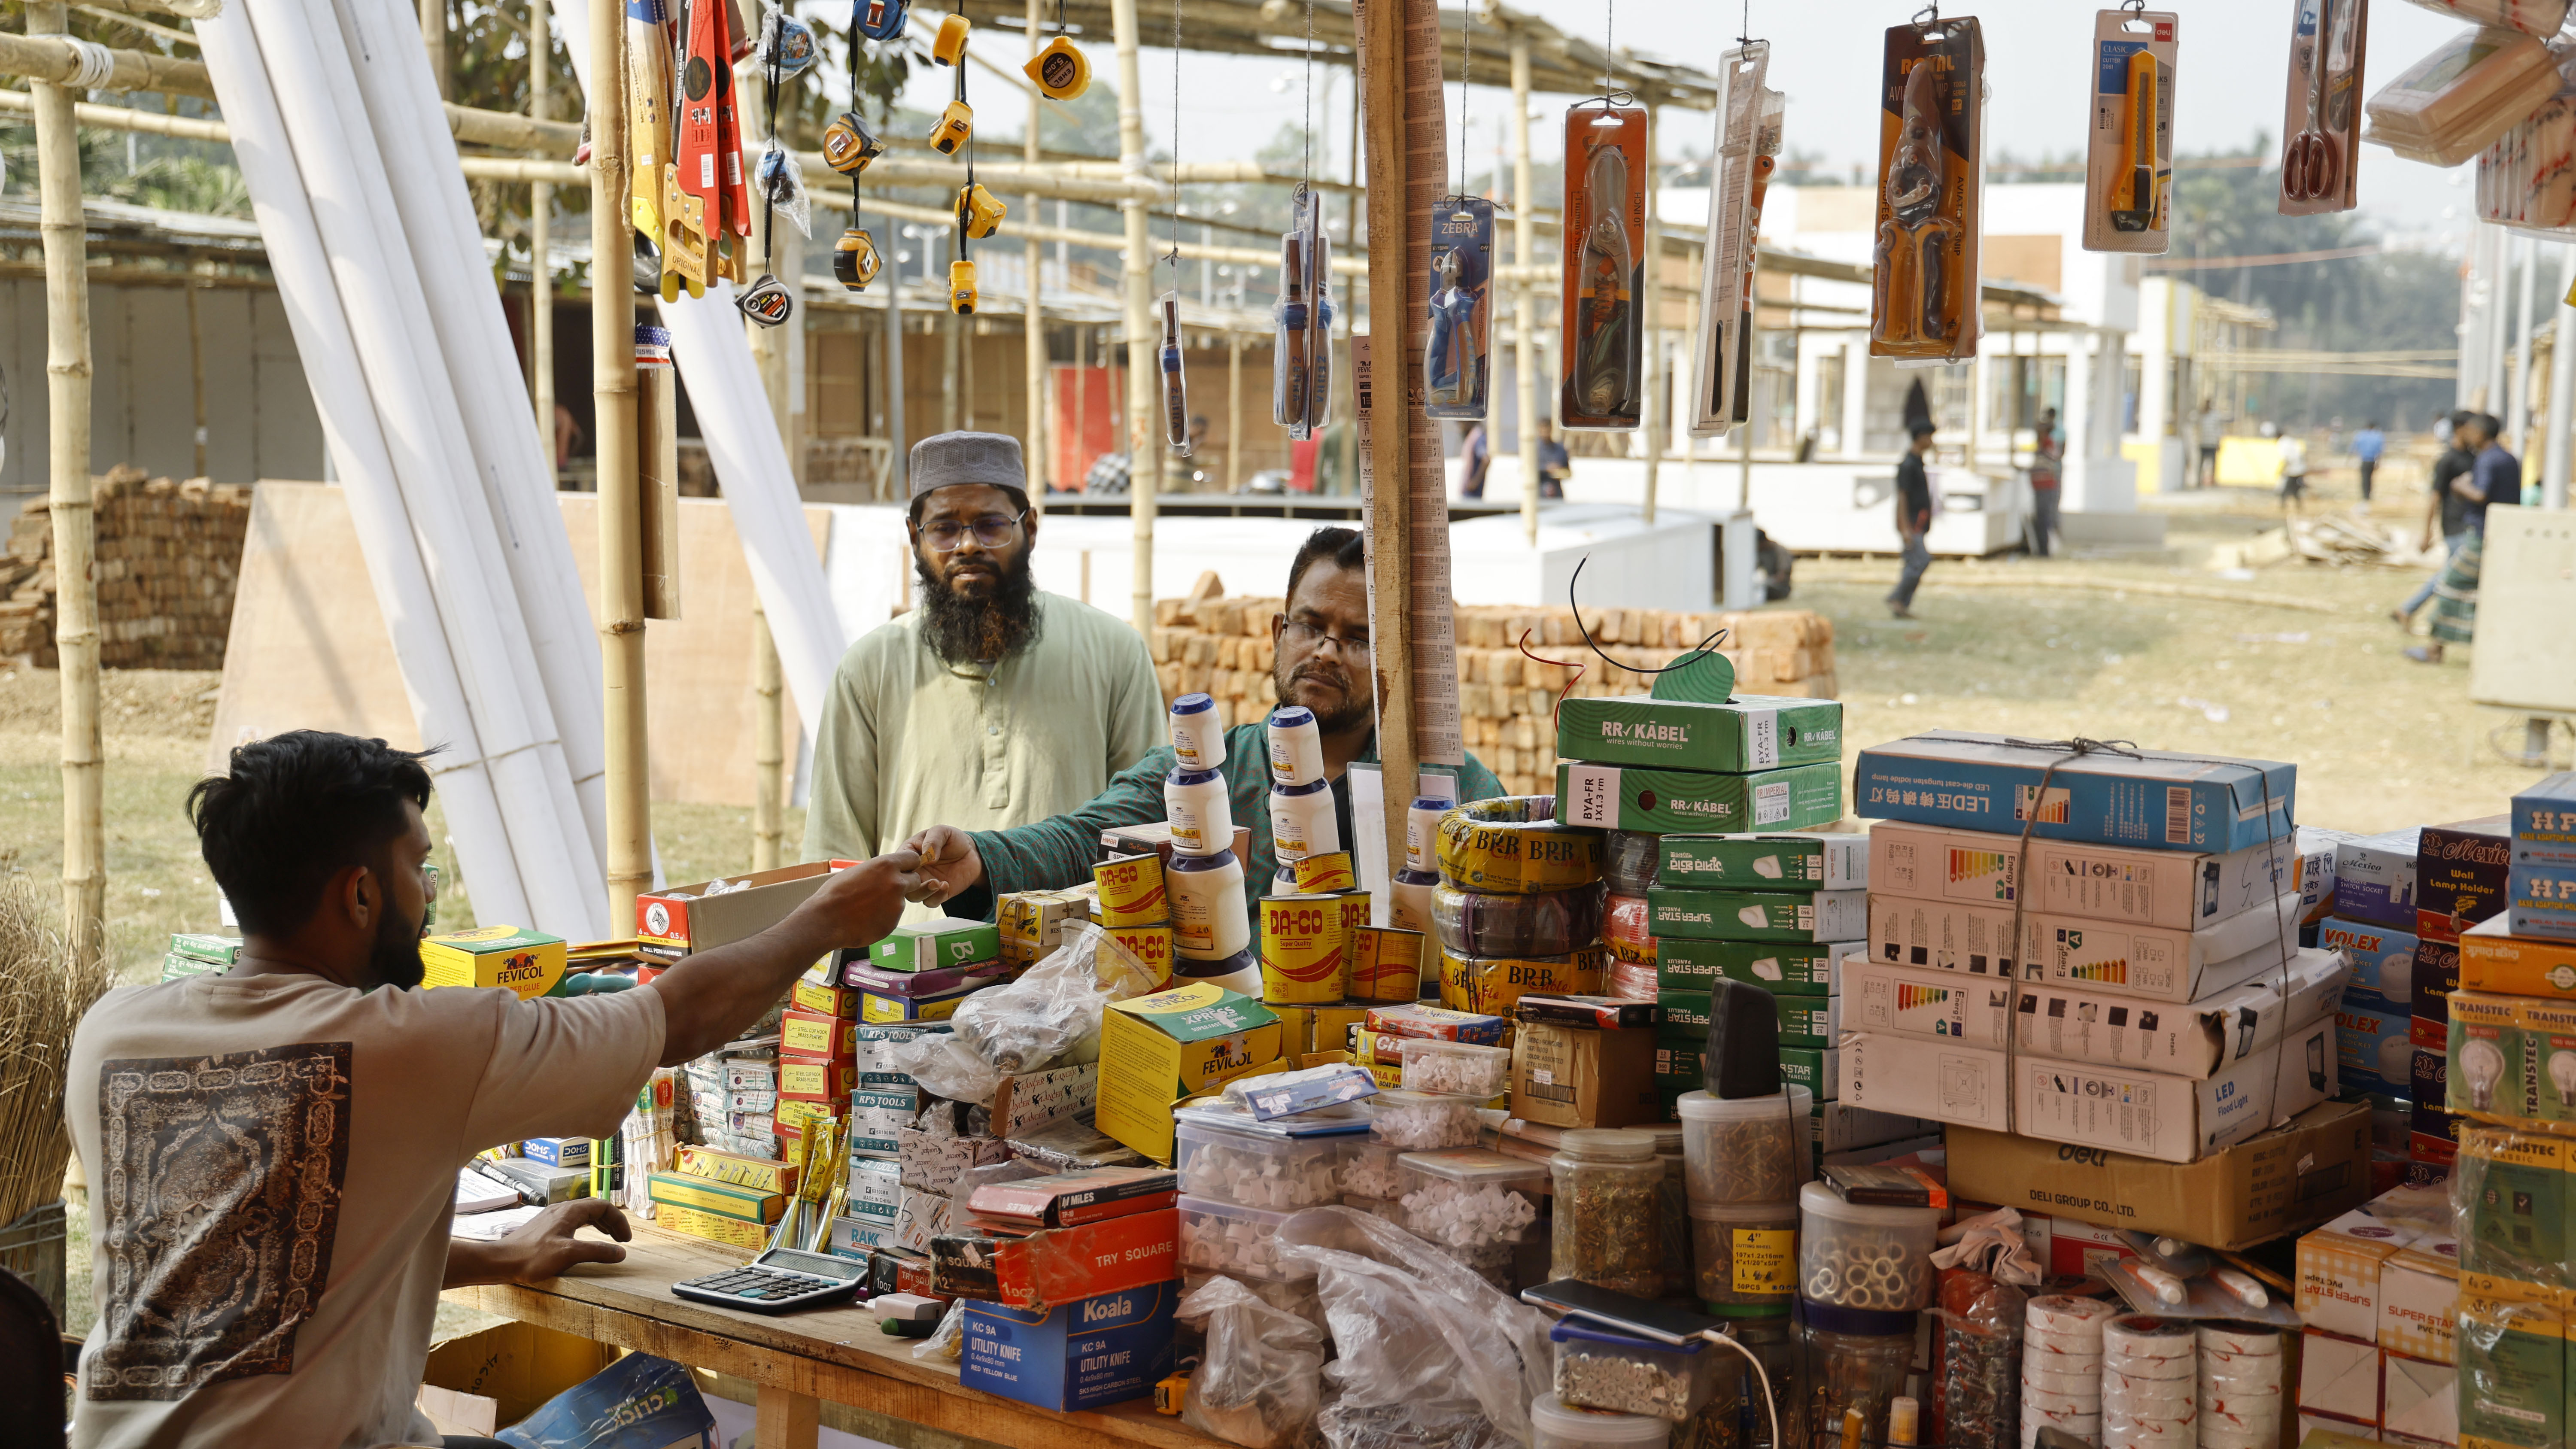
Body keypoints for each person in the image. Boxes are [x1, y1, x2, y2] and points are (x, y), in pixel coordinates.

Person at [64, 730, 919, 1449]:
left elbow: (260, 1252)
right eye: (420, 868)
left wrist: (499, 1257)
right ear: (360, 893)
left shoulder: (112, 1034)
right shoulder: (416, 1044)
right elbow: (680, 1016)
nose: (430, 894)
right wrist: (829, 917)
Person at [903, 526, 1506, 920]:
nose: (1325, 651)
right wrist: (982, 857)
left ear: (1394, 661)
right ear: (1279, 633)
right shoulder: (1205, 769)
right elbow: (1087, 837)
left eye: (1357, 638)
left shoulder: (1445, 787)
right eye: (1310, 626)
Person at [804, 432, 1164, 870]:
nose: (969, 545)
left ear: (1030, 529)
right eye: (944, 528)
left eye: (991, 524)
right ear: (915, 537)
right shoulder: (868, 669)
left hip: (1076, 917)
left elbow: (1148, 819)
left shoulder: (1114, 652)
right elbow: (835, 851)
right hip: (917, 920)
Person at [2404, 411, 2509, 665]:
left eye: (2472, 431)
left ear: (2481, 433)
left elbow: (2480, 494)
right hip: (2500, 533)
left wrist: (2460, 486)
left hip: (2480, 535)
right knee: (2487, 591)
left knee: (2449, 586)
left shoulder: (2486, 460)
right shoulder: (2508, 459)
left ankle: (2434, 649)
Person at [2396, 411, 2479, 633]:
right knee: (2453, 573)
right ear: (2460, 429)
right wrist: (2427, 532)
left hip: (2469, 524)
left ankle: (2409, 609)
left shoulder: (2474, 458)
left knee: (2452, 572)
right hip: (2455, 525)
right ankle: (2411, 610)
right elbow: (2434, 497)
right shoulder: (2448, 460)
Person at [1887, 421, 1936, 620]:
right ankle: (1897, 597)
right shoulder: (1908, 465)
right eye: (1929, 437)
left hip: (1920, 521)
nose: (1931, 441)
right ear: (1921, 437)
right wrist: (1905, 527)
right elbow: (1902, 496)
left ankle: (1902, 605)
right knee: (1921, 560)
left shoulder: (1918, 462)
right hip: (1912, 522)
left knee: (1912, 562)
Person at [2027, 406, 2063, 558]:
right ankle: (2041, 549)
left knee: (2044, 517)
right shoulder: (2041, 446)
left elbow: (2053, 458)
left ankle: (2045, 551)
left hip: (2047, 486)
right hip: (2039, 486)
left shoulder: (2048, 445)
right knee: (2039, 518)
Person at [2276, 427, 2309, 515]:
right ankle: (2299, 506)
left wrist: (2282, 470)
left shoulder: (2282, 443)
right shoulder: (2291, 441)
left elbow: (2286, 459)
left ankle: (2283, 506)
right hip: (2300, 469)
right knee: (2295, 490)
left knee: (2285, 488)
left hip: (2291, 470)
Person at [1535, 420, 1571, 499]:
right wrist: (1546, 468)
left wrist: (1560, 471)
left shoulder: (1560, 450)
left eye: (1547, 431)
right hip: (1540, 494)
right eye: (1542, 432)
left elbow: (1569, 473)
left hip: (1556, 493)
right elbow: (1526, 470)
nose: (1545, 434)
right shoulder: (1534, 450)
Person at [2353, 419, 2385, 502]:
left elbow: (2355, 448)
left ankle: (2365, 495)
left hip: (2364, 460)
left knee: (2364, 478)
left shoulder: (2361, 435)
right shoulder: (2378, 436)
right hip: (2372, 461)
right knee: (2370, 478)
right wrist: (2379, 462)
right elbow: (2380, 451)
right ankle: (2369, 495)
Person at [1458, 421, 1491, 499]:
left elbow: (1486, 460)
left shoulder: (1477, 438)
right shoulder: (1472, 437)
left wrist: (1475, 482)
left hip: (1473, 491)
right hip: (1469, 488)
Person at [2196, 402, 2224, 488]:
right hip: (2204, 442)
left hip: (2212, 443)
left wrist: (2218, 442)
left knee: (2213, 463)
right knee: (2202, 463)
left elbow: (2218, 430)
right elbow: (2198, 428)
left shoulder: (2214, 416)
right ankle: (2199, 481)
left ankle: (2213, 480)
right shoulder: (2202, 415)